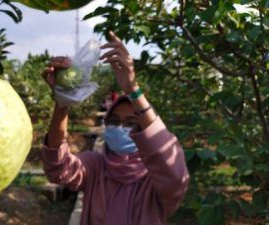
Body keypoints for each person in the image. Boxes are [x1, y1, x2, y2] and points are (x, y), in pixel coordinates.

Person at [40, 31, 189, 225]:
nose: (119, 127)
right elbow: (57, 168)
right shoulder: (96, 168)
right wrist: (62, 104)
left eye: (130, 123)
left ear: (144, 132)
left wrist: (133, 89)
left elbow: (173, 167)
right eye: (114, 120)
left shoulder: (155, 181)